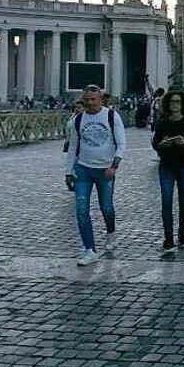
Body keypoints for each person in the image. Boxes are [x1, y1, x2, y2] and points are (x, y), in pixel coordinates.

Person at [62, 85, 126, 266]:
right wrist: (69, 172)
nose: (89, 103)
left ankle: (111, 232)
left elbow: (121, 144)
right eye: (86, 100)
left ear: (100, 100)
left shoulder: (112, 116)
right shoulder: (78, 119)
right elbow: (73, 148)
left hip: (105, 170)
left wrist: (115, 165)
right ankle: (89, 249)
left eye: (93, 100)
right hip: (83, 169)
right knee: (81, 210)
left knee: (106, 207)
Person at [152, 90, 184, 252]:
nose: (174, 104)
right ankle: (168, 237)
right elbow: (155, 143)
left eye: (177, 102)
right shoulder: (162, 122)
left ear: (183, 104)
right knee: (166, 201)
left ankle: (182, 234)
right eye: (172, 102)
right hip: (166, 165)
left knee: (183, 200)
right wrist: (163, 144)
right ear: (168, 103)